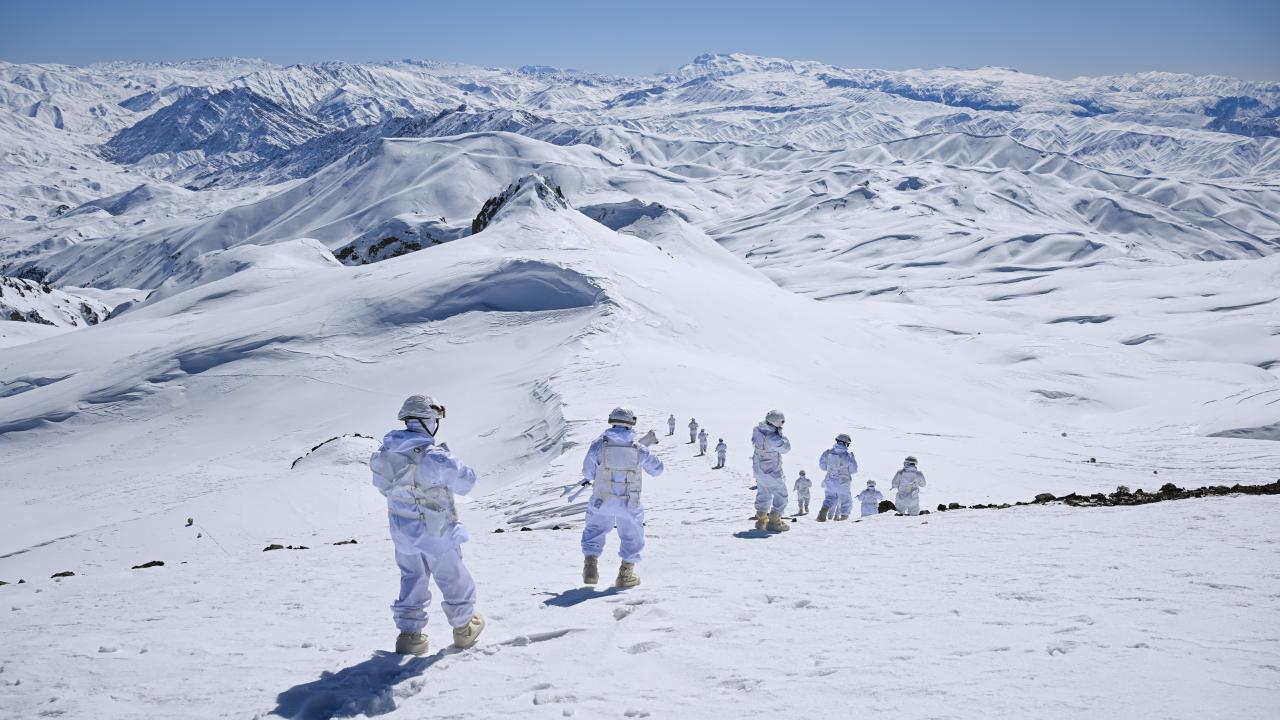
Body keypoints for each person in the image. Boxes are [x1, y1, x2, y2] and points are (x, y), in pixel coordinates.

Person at [370, 394, 485, 656]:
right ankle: (464, 627)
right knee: (452, 575)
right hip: (435, 529)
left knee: (412, 577)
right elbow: (467, 482)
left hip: (402, 530)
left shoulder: (385, 453)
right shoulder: (434, 457)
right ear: (428, 421)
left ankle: (410, 635)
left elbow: (381, 486)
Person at [578, 407, 665, 587]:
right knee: (632, 534)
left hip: (602, 500)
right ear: (631, 423)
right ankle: (625, 575)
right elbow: (658, 471)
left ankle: (590, 569)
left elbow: (587, 472)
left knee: (594, 529)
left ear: (611, 422)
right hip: (629, 502)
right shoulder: (640, 450)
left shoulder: (598, 445)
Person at [751, 410, 791, 532]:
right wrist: (781, 434)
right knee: (781, 494)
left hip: (758, 469)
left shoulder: (757, 430)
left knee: (764, 493)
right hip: (771, 471)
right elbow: (786, 448)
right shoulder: (773, 437)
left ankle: (761, 520)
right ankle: (774, 521)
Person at [817, 433, 859, 522]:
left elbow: (822, 466)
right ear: (845, 443)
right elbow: (853, 470)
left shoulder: (828, 452)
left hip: (830, 481)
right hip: (843, 483)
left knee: (829, 498)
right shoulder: (848, 456)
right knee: (846, 500)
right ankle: (843, 518)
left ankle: (823, 512)